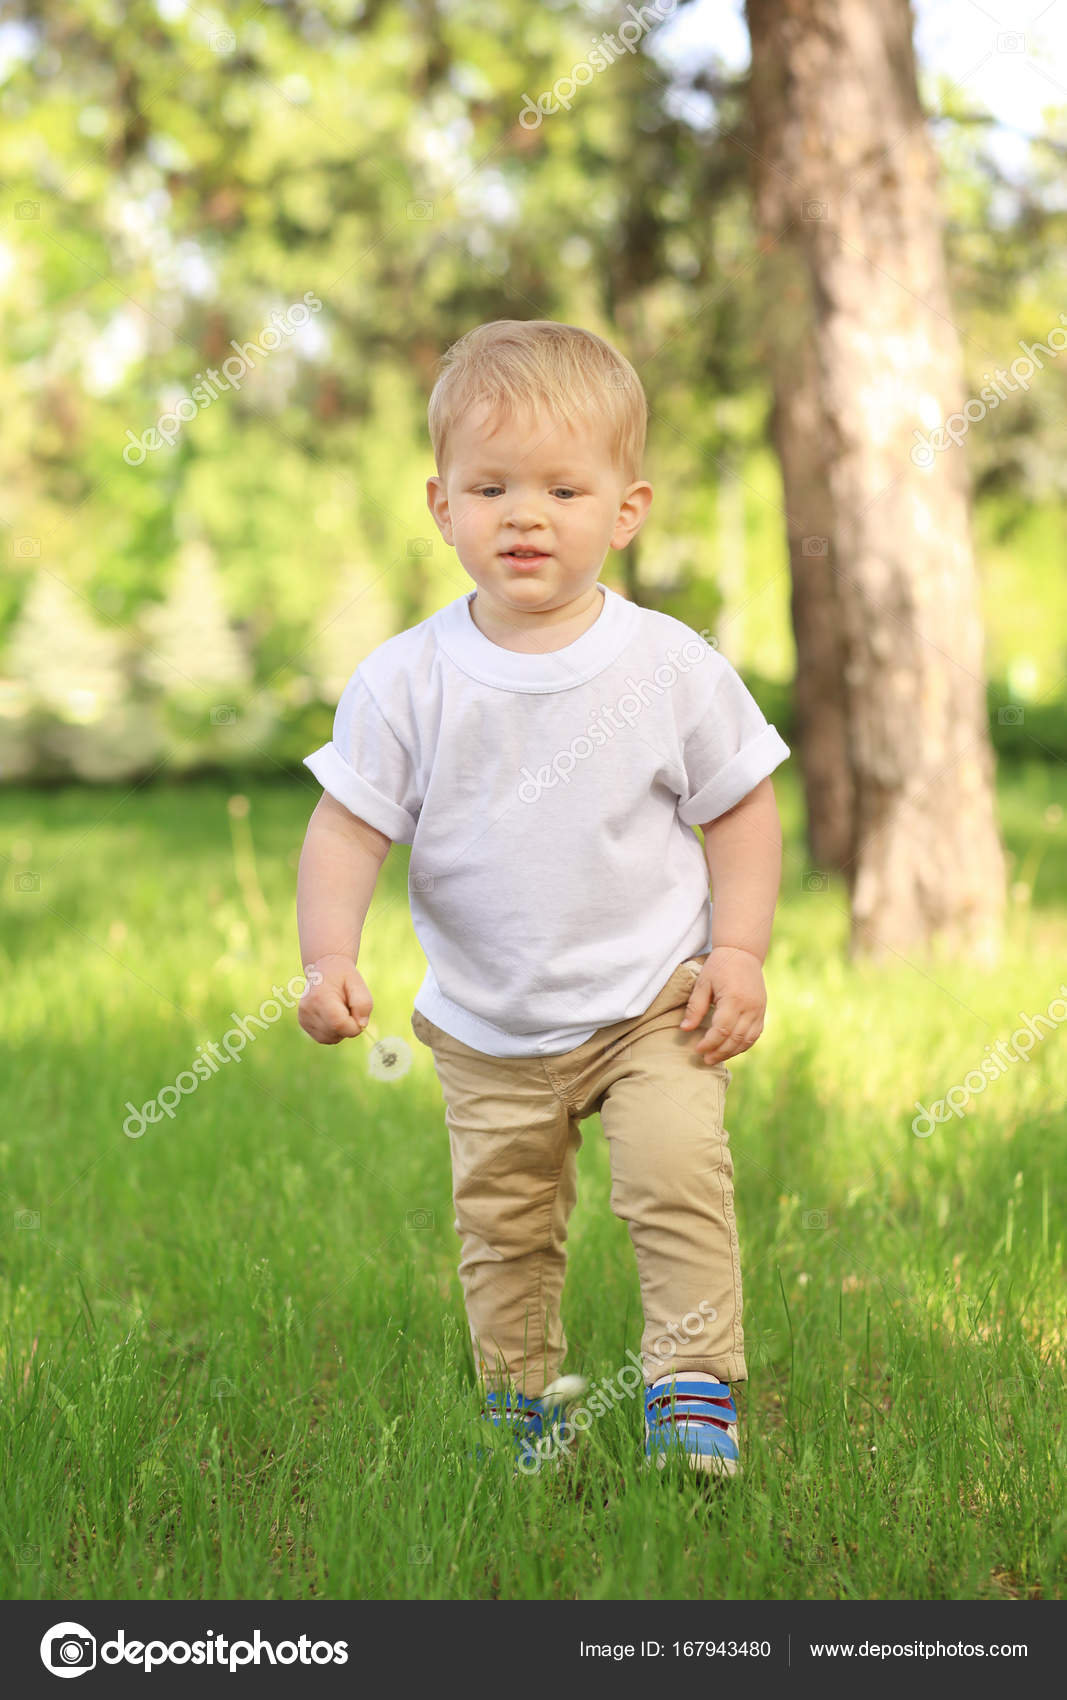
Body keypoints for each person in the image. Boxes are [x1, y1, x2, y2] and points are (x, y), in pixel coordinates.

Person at [296, 319, 789, 1477]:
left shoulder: (669, 664)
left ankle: (688, 1389)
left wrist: (738, 950)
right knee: (505, 1223)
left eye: (563, 489)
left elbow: (740, 808)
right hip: (488, 1022)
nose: (525, 515)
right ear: (441, 505)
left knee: (674, 1176)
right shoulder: (405, 679)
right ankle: (526, 1406)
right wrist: (327, 956)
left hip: (651, 1002)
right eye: (491, 487)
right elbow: (346, 825)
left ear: (624, 510)